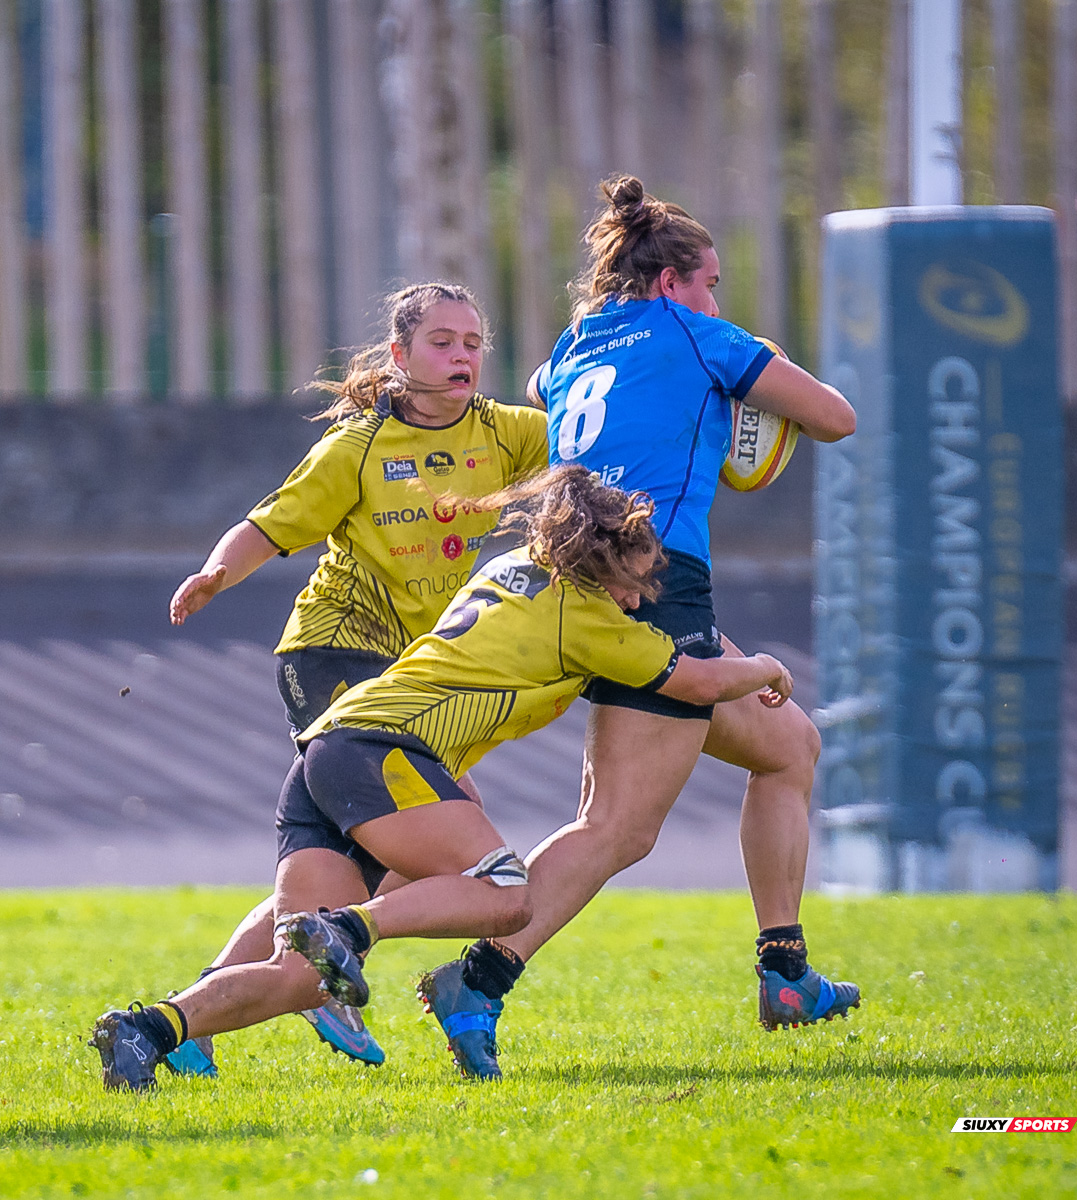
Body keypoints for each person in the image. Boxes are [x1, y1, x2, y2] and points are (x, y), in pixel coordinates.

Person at [91, 465, 794, 1091]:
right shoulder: (585, 617)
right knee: (507, 895)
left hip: (329, 751)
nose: (639, 603)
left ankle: (146, 1029)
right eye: (633, 586)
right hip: (385, 750)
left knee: (299, 978)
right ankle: (349, 927)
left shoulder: (513, 567)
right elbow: (700, 682)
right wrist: (766, 667)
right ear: (597, 565)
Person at [418, 175, 861, 1080]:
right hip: (657, 580)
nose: (716, 301)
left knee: (788, 747)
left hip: (576, 570)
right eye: (710, 284)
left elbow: (554, 395)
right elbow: (835, 417)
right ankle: (479, 978)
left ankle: (786, 973)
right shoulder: (702, 336)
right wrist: (745, 381)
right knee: (619, 826)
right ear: (670, 283)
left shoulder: (571, 345)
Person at [163, 282, 547, 1072]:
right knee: (435, 833)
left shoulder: (504, 433)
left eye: (473, 343)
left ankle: (207, 1007)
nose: (462, 356)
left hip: (411, 672)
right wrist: (214, 573)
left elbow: (594, 440)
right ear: (400, 355)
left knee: (357, 859)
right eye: (442, 342)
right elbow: (267, 525)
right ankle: (327, 970)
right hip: (331, 655)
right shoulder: (359, 447)